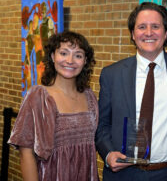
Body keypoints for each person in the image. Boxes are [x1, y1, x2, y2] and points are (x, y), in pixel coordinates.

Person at [95, 2, 167, 181]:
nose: (148, 33)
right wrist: (107, 154)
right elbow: (102, 125)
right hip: (123, 174)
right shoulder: (112, 74)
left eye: (155, 26)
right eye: (141, 27)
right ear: (132, 33)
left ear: (166, 32)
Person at [8, 31, 99, 181]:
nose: (70, 60)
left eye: (78, 55)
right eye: (63, 53)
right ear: (52, 56)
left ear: (85, 61)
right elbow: (26, 153)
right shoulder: (38, 97)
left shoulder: (89, 97)